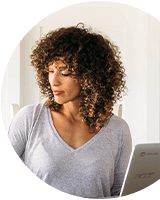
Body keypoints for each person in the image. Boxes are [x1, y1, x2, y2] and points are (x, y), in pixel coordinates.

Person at [8, 23, 132, 198]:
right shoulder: (30, 119)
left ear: (90, 76)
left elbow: (121, 192)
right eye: (50, 71)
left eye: (64, 73)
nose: (54, 81)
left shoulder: (118, 130)